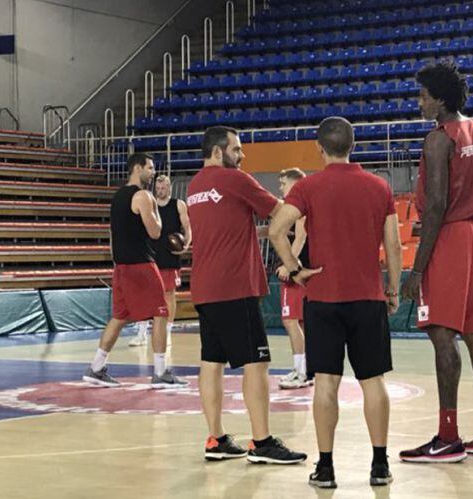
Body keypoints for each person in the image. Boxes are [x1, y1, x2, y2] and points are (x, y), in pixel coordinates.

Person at [269, 117, 402, 488]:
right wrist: (391, 289)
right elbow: (393, 245)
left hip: (323, 298)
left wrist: (295, 271)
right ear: (353, 145)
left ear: (319, 147)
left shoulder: (308, 187)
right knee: (373, 382)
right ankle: (379, 465)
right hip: (367, 298)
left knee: (326, 382)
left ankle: (325, 468)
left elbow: (277, 230)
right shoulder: (379, 187)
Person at [399, 61, 473, 463]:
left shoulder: (439, 138)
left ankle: (448, 437)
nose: (419, 102)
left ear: (440, 98)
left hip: (449, 235)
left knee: (442, 334)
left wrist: (417, 268)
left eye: (424, 96)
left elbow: (436, 206)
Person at [186, 126, 306, 464]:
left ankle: (216, 438)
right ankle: (262, 442)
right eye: (236, 149)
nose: (242, 155)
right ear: (216, 152)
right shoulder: (235, 180)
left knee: (211, 363)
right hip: (235, 287)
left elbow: (227, 226)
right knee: (257, 363)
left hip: (205, 288)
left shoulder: (195, 185)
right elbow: (279, 210)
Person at [83, 153, 187, 389]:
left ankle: (96, 367)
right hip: (141, 263)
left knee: (119, 316)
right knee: (161, 312)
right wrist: (156, 209)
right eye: (150, 168)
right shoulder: (143, 196)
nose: (152, 173)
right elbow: (156, 232)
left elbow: (113, 234)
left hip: (121, 265)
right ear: (138, 168)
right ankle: (160, 372)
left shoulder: (118, 196)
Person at [130, 174, 191, 348]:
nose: (160, 190)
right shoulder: (149, 203)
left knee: (169, 295)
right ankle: (141, 333)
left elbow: (187, 227)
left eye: (163, 187)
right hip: (150, 255)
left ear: (169, 187)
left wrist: (186, 243)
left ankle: (168, 333)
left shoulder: (178, 204)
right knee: (144, 294)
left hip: (170, 255)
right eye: (158, 188)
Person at [275, 168, 312, 390]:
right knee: (302, 323)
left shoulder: (300, 206)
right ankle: (305, 369)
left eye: (283, 184)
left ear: (295, 184)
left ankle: (301, 372)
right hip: (309, 270)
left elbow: (301, 236)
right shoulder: (309, 202)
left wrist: (289, 264)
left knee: (290, 321)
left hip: (298, 272)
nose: (281, 188)